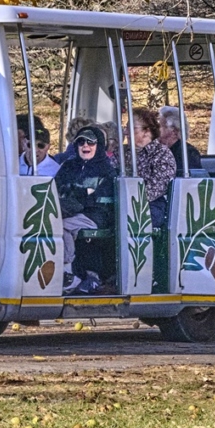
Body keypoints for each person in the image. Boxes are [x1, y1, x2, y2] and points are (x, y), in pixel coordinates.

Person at [55, 125, 116, 293]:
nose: (85, 146)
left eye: (91, 142)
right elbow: (57, 187)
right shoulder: (69, 165)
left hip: (95, 215)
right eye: (81, 142)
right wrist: (79, 193)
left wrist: (75, 194)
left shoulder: (105, 169)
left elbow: (98, 196)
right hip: (69, 211)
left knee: (60, 226)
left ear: (100, 145)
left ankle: (67, 271)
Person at [128, 107, 176, 227]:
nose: (125, 132)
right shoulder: (122, 153)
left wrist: (125, 196)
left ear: (147, 131)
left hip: (149, 207)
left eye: (131, 128)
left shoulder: (162, 154)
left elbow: (155, 190)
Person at [159, 105, 203, 175]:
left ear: (173, 131)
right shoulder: (158, 150)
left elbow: (191, 178)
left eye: (159, 126)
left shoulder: (187, 153)